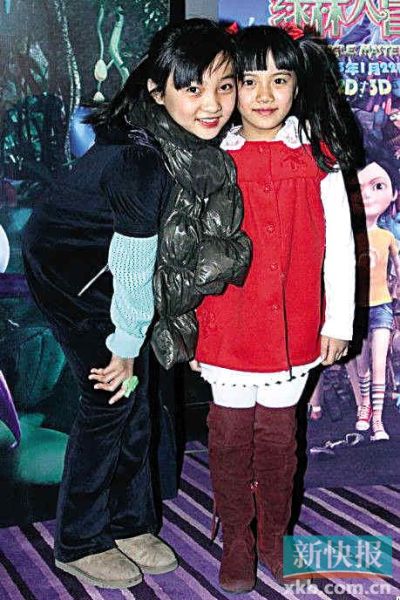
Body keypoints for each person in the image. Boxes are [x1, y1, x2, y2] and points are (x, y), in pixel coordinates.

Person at [22, 18, 251, 589]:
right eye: (192, 88)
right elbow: (130, 266)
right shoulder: (141, 159)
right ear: (156, 89)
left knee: (139, 398)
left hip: (110, 265)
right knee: (111, 397)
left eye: (224, 86)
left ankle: (129, 522)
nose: (212, 104)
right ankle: (80, 539)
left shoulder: (174, 138)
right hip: (73, 273)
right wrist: (123, 346)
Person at [191, 24, 359, 592]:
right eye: (249, 81)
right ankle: (236, 539)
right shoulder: (213, 156)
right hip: (227, 324)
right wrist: (187, 324)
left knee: (278, 440)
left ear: (297, 85)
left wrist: (338, 321)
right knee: (229, 438)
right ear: (230, 88)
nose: (264, 95)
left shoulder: (318, 156)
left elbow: (341, 245)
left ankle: (273, 539)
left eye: (279, 80)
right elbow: (190, 249)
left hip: (293, 324)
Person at [351, 146, 400, 440]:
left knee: (379, 362)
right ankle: (364, 408)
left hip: (381, 306)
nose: (367, 195)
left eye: (378, 186)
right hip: (355, 309)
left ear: (394, 193)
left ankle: (378, 421)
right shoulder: (348, 237)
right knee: (362, 365)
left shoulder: (387, 236)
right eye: (359, 188)